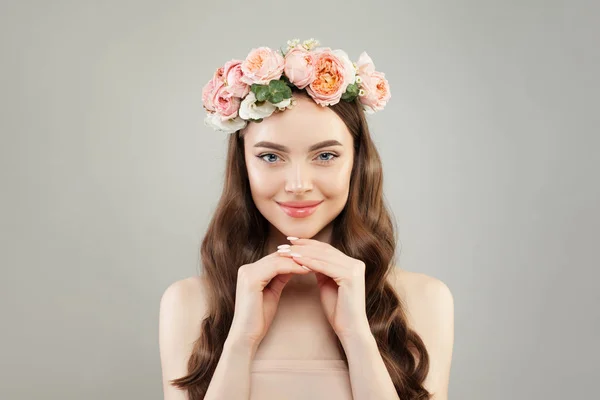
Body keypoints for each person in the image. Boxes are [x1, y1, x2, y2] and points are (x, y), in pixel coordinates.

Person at [159, 38, 454, 400]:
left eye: (325, 155)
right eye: (270, 157)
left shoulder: (423, 300)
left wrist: (357, 336)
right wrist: (241, 341)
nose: (298, 185)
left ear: (357, 163)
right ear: (243, 166)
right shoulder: (190, 302)